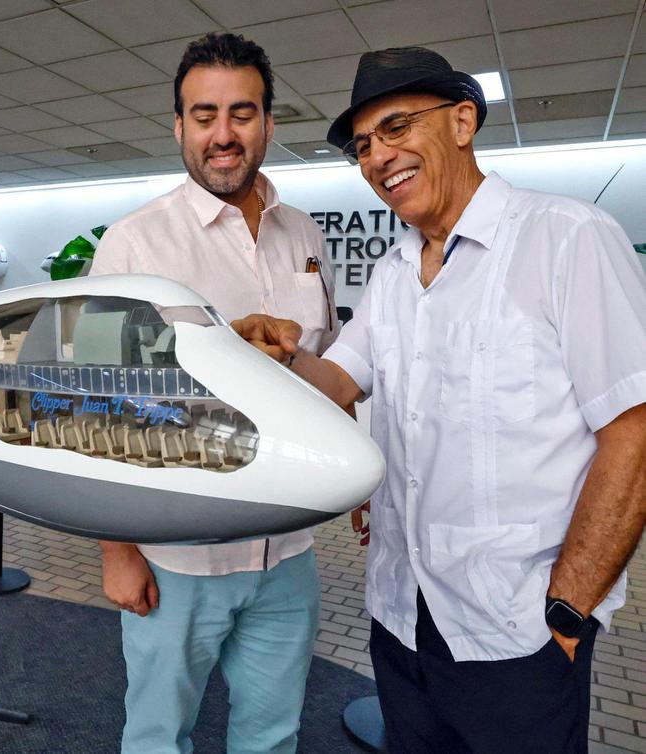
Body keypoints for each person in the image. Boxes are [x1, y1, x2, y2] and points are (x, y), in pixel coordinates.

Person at [232, 46, 646, 753]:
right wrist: (277, 352)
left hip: (517, 634)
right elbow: (336, 382)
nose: (377, 157)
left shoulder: (566, 239)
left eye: (396, 128)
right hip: (401, 622)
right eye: (363, 146)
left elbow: (633, 433)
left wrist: (569, 612)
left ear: (462, 122)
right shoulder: (394, 275)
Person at [89, 32, 340, 754]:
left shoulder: (304, 234)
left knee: (273, 734)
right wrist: (117, 550)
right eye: (204, 116)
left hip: (288, 551)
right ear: (179, 126)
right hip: (180, 556)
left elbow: (320, 368)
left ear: (268, 122)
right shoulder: (135, 244)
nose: (223, 135)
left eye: (241, 113)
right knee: (159, 737)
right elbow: (100, 404)